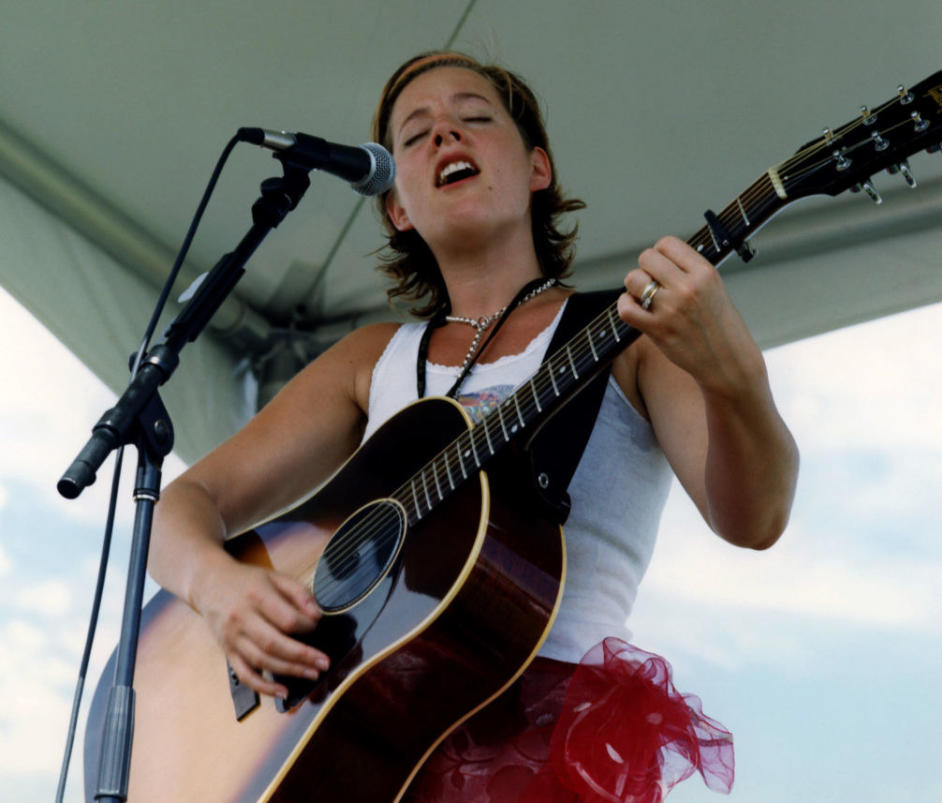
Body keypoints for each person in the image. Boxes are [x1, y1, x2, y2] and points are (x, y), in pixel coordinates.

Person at [148, 51, 798, 801]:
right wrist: (220, 590)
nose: (445, 136)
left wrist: (735, 378)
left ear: (537, 168)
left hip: (542, 747)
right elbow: (180, 507)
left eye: (475, 117)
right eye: (415, 134)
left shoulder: (629, 332)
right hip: (362, 740)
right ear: (396, 207)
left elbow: (755, 519)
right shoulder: (371, 359)